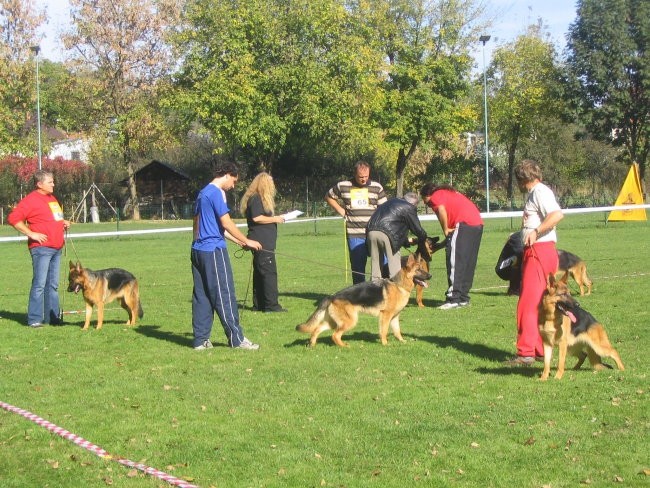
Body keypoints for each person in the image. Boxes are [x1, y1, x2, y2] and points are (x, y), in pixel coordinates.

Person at [191, 162, 263, 350]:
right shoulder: (215, 193)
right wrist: (248, 241)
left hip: (198, 250)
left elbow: (210, 226)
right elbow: (227, 223)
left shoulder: (202, 193)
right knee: (224, 294)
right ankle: (236, 339)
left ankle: (201, 340)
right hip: (213, 251)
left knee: (203, 296)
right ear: (227, 175)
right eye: (234, 181)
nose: (233, 186)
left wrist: (238, 242)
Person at [506, 159, 564, 366]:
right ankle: (539, 350)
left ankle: (526, 353)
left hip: (539, 251)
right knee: (539, 301)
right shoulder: (537, 192)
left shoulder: (540, 192)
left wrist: (536, 232)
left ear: (522, 179)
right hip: (541, 251)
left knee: (527, 303)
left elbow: (556, 214)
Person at [8, 169, 71, 327]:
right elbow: (13, 219)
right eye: (50, 182)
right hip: (41, 249)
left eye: (53, 181)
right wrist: (31, 234)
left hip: (57, 247)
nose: (53, 184)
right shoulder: (30, 200)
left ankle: (53, 318)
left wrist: (63, 223)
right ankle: (35, 319)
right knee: (39, 284)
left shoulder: (52, 198)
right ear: (39, 184)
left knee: (53, 285)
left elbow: (54, 217)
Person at [420, 183, 483, 310]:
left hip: (463, 224)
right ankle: (463, 298)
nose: (428, 205)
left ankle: (453, 298)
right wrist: (439, 246)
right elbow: (453, 238)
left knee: (455, 262)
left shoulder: (436, 196)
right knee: (468, 262)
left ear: (428, 194)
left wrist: (445, 229)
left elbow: (442, 211)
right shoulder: (449, 194)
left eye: (425, 201)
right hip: (477, 224)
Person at [326, 161, 387, 284]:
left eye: (366, 176)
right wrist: (340, 210)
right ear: (354, 174)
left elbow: (384, 208)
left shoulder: (377, 187)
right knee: (358, 269)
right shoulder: (343, 185)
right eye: (360, 177)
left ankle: (383, 293)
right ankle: (359, 297)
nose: (364, 180)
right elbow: (329, 196)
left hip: (374, 233)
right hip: (354, 234)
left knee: (384, 264)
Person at [240, 172, 287, 313]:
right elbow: (257, 218)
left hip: (262, 240)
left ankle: (259, 304)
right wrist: (275, 219)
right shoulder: (256, 198)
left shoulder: (256, 198)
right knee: (268, 273)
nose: (273, 186)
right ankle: (271, 305)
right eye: (271, 183)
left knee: (260, 272)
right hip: (262, 241)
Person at [366, 192, 428, 280]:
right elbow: (417, 229)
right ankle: (395, 291)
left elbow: (395, 225)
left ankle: (374, 291)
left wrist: (407, 241)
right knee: (395, 272)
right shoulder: (409, 207)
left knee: (375, 270)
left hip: (371, 232)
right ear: (413, 204)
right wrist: (423, 238)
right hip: (388, 235)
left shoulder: (391, 202)